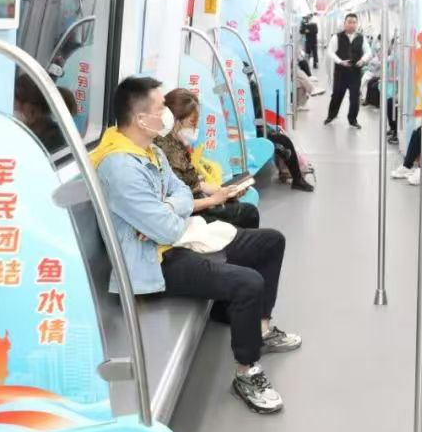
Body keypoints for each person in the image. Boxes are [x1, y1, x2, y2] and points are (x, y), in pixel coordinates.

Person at [92, 77, 301, 414]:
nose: (166, 115)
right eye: (161, 108)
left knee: (271, 242)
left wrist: (167, 208)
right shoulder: (120, 166)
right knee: (248, 283)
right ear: (141, 118)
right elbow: (167, 229)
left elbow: (181, 194)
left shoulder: (150, 150)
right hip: (154, 263)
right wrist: (168, 214)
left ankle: (261, 329)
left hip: (175, 241)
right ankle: (247, 372)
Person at [153, 89, 261, 229]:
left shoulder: (176, 145)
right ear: (174, 120)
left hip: (196, 203)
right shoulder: (164, 152)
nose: (195, 128)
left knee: (236, 206)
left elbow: (195, 184)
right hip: (186, 216)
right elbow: (179, 203)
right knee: (249, 213)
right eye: (192, 122)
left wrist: (225, 191)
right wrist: (213, 200)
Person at [324, 12, 371, 129]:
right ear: (344, 23)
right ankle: (331, 115)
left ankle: (353, 120)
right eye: (349, 22)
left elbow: (368, 52)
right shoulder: (337, 37)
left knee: (355, 98)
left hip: (355, 73)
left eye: (354, 22)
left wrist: (363, 60)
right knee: (336, 95)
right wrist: (340, 61)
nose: (352, 25)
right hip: (341, 72)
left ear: (357, 24)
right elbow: (330, 51)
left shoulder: (361, 38)